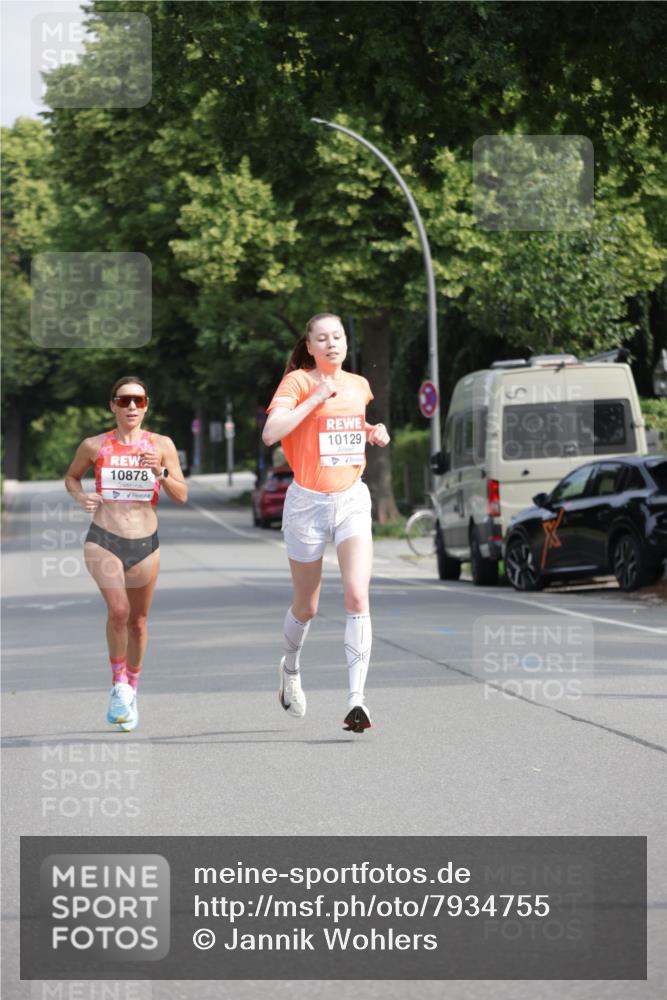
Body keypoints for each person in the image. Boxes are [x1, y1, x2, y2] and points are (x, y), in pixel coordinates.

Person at [262, 313, 390, 733]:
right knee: (308, 606)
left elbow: (345, 426)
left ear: (346, 343)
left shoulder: (358, 385)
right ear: (311, 346)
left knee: (357, 597)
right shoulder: (298, 382)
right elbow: (271, 433)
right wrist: (315, 397)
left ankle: (357, 701)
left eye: (338, 336)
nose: (332, 343)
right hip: (307, 503)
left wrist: (372, 431)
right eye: (323, 338)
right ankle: (291, 668)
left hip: (351, 497)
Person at [65, 377, 187, 731]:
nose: (131, 407)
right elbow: (72, 477)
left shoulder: (161, 445)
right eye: (124, 401)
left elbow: (181, 494)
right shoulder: (94, 445)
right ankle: (118, 685)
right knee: (118, 610)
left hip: (146, 542)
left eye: (138, 400)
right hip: (104, 537)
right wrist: (81, 496)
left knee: (138, 621)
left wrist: (160, 472)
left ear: (147, 405)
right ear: (113, 406)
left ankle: (131, 688)